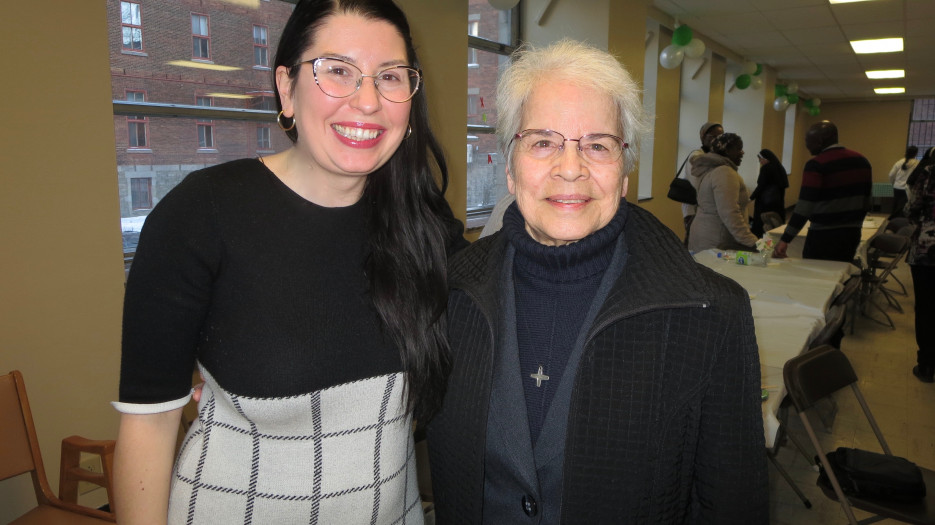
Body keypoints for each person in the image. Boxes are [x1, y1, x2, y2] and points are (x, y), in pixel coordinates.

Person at [112, 1, 466, 523]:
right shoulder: (202, 214)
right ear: (286, 87)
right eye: (337, 71)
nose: (367, 101)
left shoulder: (424, 226)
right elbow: (148, 427)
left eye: (389, 77)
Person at [427, 39, 768, 524]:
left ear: (624, 173)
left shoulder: (713, 314)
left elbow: (732, 505)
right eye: (543, 142)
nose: (571, 168)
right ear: (509, 166)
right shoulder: (448, 296)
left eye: (597, 145)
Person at [773, 120, 872, 262]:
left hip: (823, 235)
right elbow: (867, 200)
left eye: (808, 141)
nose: (806, 145)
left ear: (819, 141)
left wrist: (786, 239)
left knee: (815, 276)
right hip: (852, 233)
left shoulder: (816, 164)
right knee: (841, 273)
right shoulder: (862, 160)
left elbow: (804, 207)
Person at [687, 132, 759, 252]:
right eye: (739, 149)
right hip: (715, 239)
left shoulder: (712, 169)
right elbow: (730, 212)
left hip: (705, 234)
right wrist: (751, 241)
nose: (742, 152)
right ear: (727, 150)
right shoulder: (724, 172)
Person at [906, 162, 935, 382]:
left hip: (928, 249)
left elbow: (912, 208)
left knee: (926, 308)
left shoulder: (930, 172)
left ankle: (926, 365)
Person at [679, 122, 724, 244]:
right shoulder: (696, 156)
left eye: (720, 137)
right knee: (693, 243)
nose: (717, 141)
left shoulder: (715, 157)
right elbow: (699, 184)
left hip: (708, 210)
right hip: (694, 209)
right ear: (703, 137)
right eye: (713, 137)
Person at [750, 148, 789, 236]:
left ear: (765, 158)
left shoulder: (766, 168)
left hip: (764, 203)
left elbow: (761, 186)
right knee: (774, 222)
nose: (760, 161)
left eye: (760, 159)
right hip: (777, 202)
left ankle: (760, 240)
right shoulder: (779, 167)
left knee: (762, 223)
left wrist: (751, 197)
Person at [888, 145, 918, 219]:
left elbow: (891, 175)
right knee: (905, 207)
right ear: (916, 154)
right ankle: (902, 221)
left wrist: (893, 183)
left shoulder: (899, 162)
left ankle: (894, 220)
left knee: (896, 205)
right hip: (908, 188)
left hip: (897, 187)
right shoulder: (917, 163)